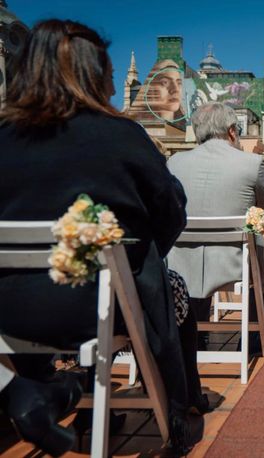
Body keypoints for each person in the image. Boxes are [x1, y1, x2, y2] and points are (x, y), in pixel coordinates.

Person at [0, 19, 204, 454]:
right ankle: (182, 410)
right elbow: (170, 215)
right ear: (90, 77)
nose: (113, 91)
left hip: (5, 311)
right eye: (109, 77)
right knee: (175, 290)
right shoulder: (120, 136)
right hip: (93, 309)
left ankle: (41, 389)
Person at [166, 102, 264, 353]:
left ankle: (195, 336)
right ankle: (251, 339)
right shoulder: (251, 163)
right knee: (263, 260)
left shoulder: (174, 162)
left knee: (193, 262)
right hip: (235, 261)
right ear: (231, 130)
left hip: (181, 260)